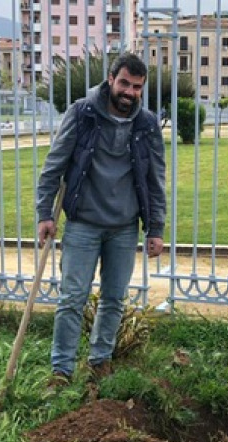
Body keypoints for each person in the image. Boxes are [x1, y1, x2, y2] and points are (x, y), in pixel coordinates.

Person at [36, 52, 166, 388]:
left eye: (137, 87)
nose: (129, 92)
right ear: (110, 79)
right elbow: (54, 164)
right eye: (124, 83)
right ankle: (61, 370)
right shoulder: (83, 113)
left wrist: (156, 228)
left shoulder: (147, 123)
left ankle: (99, 361)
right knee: (72, 298)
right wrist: (44, 214)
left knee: (113, 298)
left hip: (124, 228)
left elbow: (155, 179)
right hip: (83, 223)